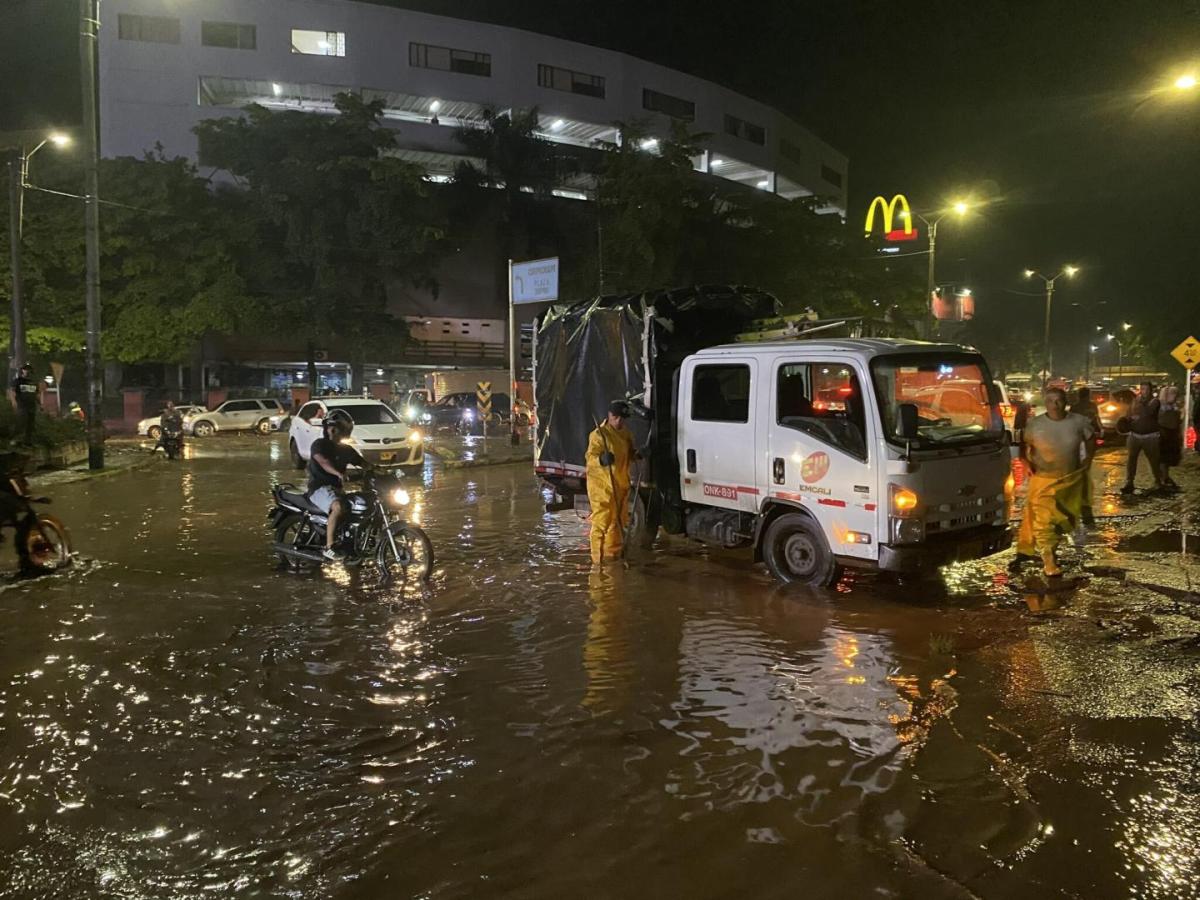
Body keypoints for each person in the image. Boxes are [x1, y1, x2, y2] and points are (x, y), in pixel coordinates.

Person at [1016, 387, 1095, 577]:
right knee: (1044, 522)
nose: (1055, 404)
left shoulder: (1078, 422)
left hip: (1070, 480)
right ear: (1046, 403)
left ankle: (1052, 550)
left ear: (1065, 401)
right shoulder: (1035, 425)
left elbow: (1091, 439)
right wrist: (1025, 462)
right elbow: (1023, 445)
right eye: (1051, 400)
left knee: (1063, 521)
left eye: (1059, 400)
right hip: (1043, 479)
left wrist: (1088, 458)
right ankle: (1048, 561)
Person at [306, 409, 367, 562]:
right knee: (338, 506)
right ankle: (329, 546)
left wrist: (380, 470)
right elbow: (323, 462)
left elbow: (363, 463)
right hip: (319, 489)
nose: (339, 432)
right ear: (331, 428)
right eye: (340, 429)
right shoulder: (319, 445)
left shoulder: (345, 449)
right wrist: (339, 474)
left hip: (336, 489)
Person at [585, 401, 636, 565]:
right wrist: (601, 459)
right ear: (609, 416)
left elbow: (630, 453)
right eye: (616, 417)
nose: (619, 421)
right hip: (602, 486)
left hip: (620, 484)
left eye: (622, 418)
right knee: (602, 522)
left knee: (617, 522)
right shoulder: (599, 435)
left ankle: (612, 556)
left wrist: (639, 454)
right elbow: (590, 458)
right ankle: (598, 562)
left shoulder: (626, 433)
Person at [1122, 381, 1164, 494]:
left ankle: (1158, 481)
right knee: (1131, 459)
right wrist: (1129, 419)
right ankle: (1129, 482)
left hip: (1150, 436)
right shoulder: (1135, 401)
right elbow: (1128, 414)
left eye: (1146, 389)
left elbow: (1149, 412)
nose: (1144, 391)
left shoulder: (1155, 401)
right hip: (1134, 435)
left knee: (1154, 460)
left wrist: (1140, 407)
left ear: (1150, 390)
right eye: (1142, 389)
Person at [1069, 387, 1103, 526]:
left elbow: (1095, 419)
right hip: (1084, 440)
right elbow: (1096, 420)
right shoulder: (1085, 407)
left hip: (1085, 440)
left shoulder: (1078, 407)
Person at [1157, 385, 1182, 491]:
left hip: (1172, 435)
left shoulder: (1174, 406)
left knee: (1168, 458)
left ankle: (1165, 477)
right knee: (1163, 458)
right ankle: (1162, 478)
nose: (1175, 396)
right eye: (1173, 394)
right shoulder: (1161, 407)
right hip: (1164, 435)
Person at [8, 363, 41, 445]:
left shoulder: (34, 383)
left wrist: (40, 404)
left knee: (30, 424)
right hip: (22, 405)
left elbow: (36, 395)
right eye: (25, 369)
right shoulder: (18, 381)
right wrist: (14, 402)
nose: (27, 371)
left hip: (32, 406)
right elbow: (12, 392)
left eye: (29, 369)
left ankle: (27, 441)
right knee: (21, 422)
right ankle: (14, 439)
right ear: (22, 370)